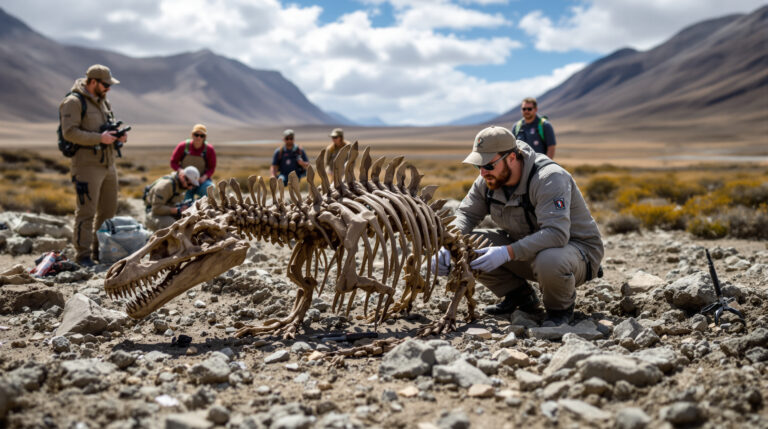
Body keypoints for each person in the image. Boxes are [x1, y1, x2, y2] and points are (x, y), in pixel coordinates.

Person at [433, 126, 603, 326]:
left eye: (488, 164)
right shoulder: (487, 179)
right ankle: (521, 297)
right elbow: (466, 214)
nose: (482, 172)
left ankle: (560, 310)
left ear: (511, 158)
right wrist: (450, 244)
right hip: (528, 249)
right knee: (470, 245)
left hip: (576, 252)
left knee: (549, 259)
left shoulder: (549, 178)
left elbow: (556, 234)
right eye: (478, 165)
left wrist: (507, 252)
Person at [59, 64, 128, 267]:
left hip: (108, 163)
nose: (108, 88)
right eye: (105, 84)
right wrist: (100, 138)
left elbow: (107, 130)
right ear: (93, 82)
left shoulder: (104, 103)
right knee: (86, 211)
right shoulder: (73, 102)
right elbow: (69, 132)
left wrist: (118, 137)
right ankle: (82, 256)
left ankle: (100, 251)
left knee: (108, 211)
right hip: (86, 165)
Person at [144, 166, 199, 231]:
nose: (190, 188)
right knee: (174, 226)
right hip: (152, 214)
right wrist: (178, 210)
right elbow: (156, 209)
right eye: (189, 184)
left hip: (167, 212)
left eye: (193, 185)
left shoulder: (181, 187)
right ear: (182, 177)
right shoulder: (165, 186)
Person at [170, 124, 217, 199]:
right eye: (196, 134)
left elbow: (212, 167)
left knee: (209, 189)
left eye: (202, 136)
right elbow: (173, 162)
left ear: (205, 137)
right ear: (192, 135)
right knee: (184, 200)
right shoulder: (182, 146)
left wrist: (205, 177)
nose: (198, 137)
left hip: (201, 181)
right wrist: (181, 171)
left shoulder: (209, 149)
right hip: (185, 181)